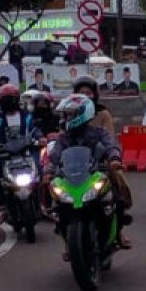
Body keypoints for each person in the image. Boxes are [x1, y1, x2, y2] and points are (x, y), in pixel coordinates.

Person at [46, 94, 131, 252]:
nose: (65, 118)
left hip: (94, 173)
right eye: (65, 115)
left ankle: (119, 230)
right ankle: (66, 237)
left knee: (114, 198)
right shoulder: (64, 138)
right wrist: (48, 170)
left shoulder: (99, 133)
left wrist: (113, 159)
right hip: (71, 178)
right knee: (56, 202)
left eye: (69, 115)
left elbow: (110, 145)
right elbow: (54, 156)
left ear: (82, 114)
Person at [0, 84, 41, 224]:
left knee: (40, 170)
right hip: (3, 156)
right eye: (6, 99)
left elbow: (35, 130)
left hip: (25, 153)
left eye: (12, 99)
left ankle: (40, 204)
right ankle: (2, 208)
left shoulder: (27, 116)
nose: (10, 102)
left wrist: (40, 138)